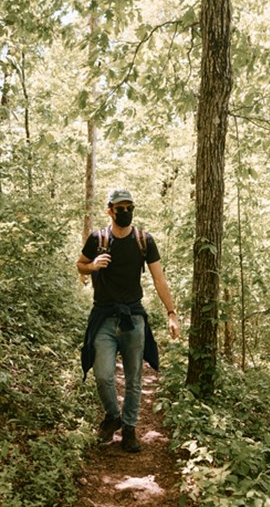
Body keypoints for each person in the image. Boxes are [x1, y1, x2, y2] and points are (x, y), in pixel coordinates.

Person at [77, 188, 180, 453]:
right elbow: (80, 264)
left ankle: (130, 430)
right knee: (103, 376)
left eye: (129, 207)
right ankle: (113, 416)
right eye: (120, 208)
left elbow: (159, 278)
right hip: (103, 317)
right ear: (109, 210)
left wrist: (171, 313)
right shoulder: (97, 239)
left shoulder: (144, 240)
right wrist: (93, 265)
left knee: (135, 378)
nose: (125, 212)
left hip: (133, 317)